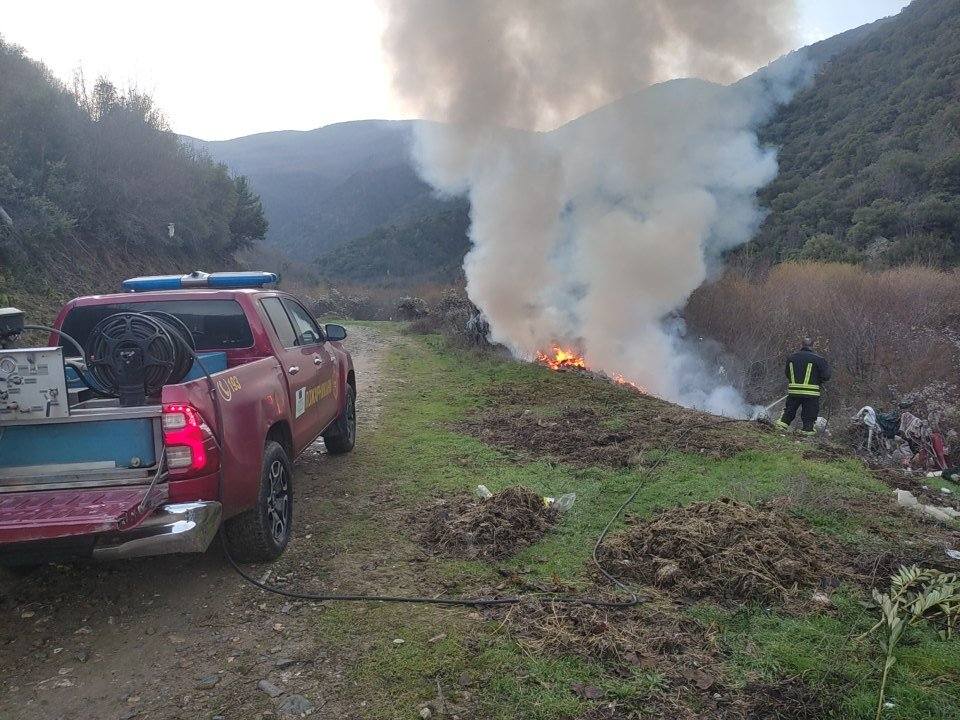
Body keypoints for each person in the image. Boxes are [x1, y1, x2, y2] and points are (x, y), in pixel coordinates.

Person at [775, 337, 831, 435]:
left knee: (789, 411)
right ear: (813, 346)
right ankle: (806, 433)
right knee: (809, 415)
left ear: (802, 345)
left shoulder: (791, 358)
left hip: (794, 392)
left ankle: (781, 427)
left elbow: (787, 374)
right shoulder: (818, 359)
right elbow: (826, 376)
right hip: (811, 394)